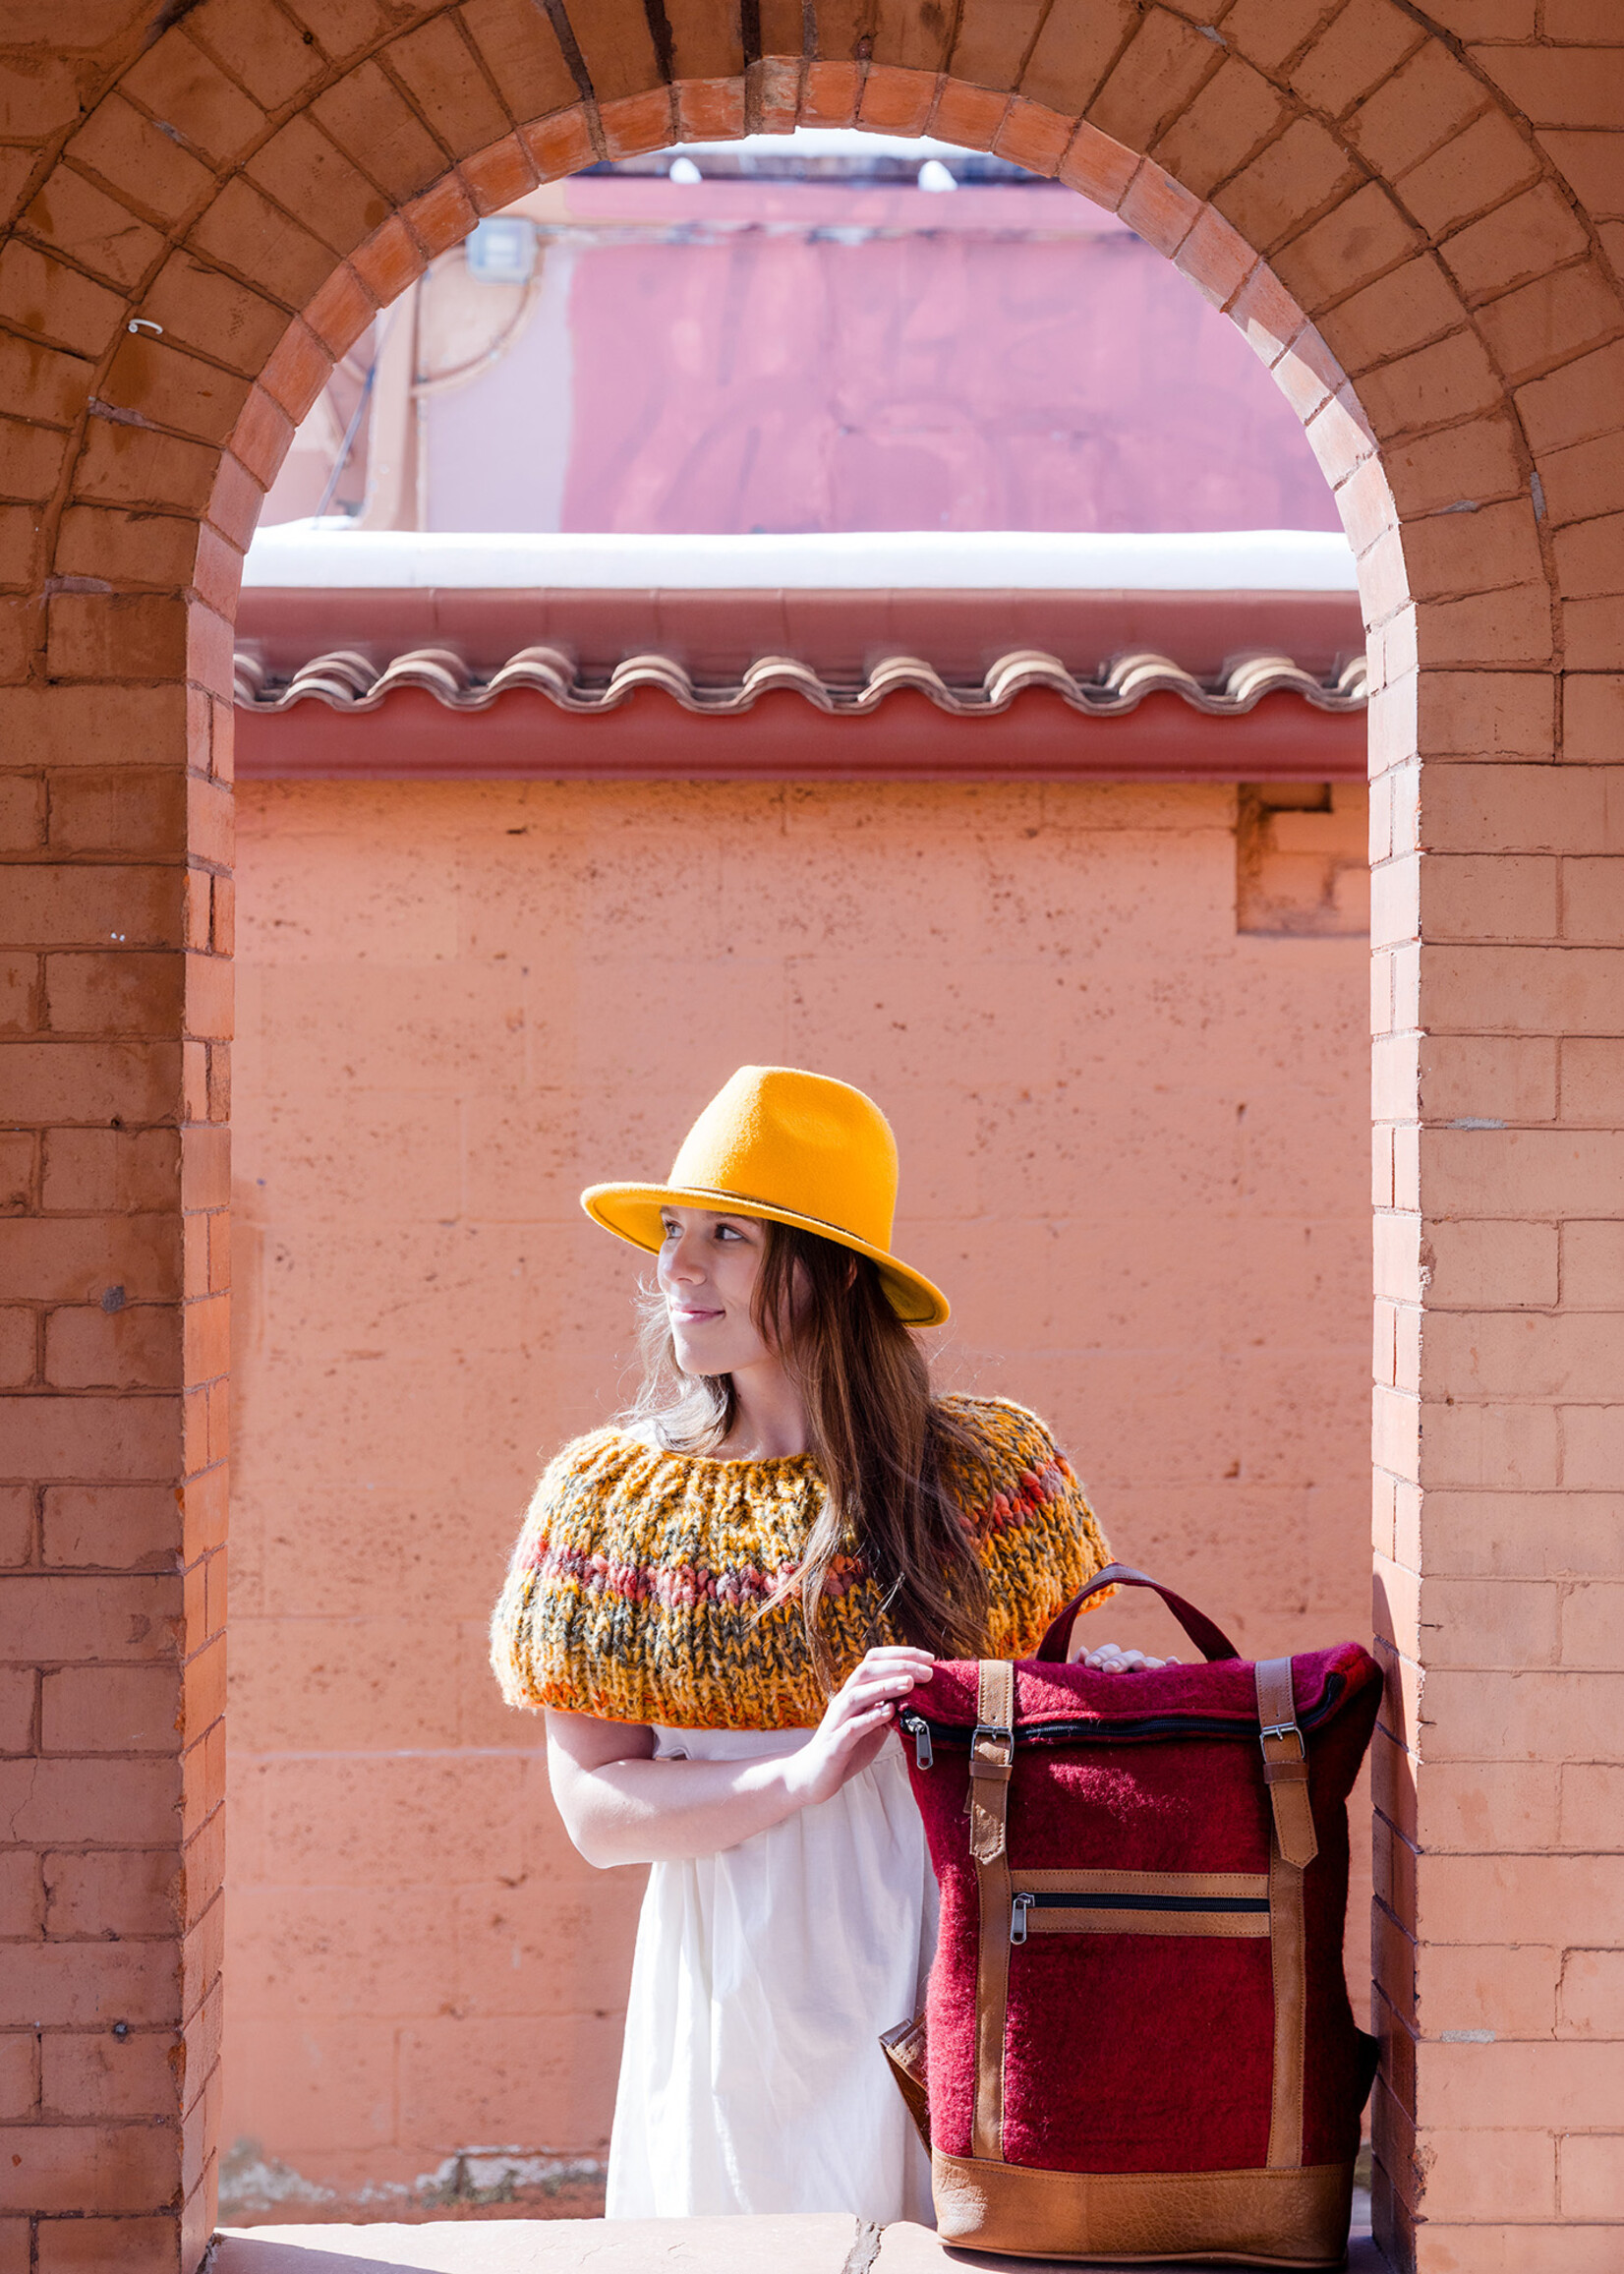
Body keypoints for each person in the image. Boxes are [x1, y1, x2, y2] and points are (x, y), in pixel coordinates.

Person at [491, 1066, 1161, 2225]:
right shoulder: (607, 1505)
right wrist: (800, 1776)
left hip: (959, 1961)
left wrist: (1102, 1700)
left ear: (835, 1271)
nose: (677, 1267)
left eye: (727, 1236)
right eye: (672, 1230)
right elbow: (596, 1812)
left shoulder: (993, 1476)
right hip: (735, 1993)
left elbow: (1048, 1739)